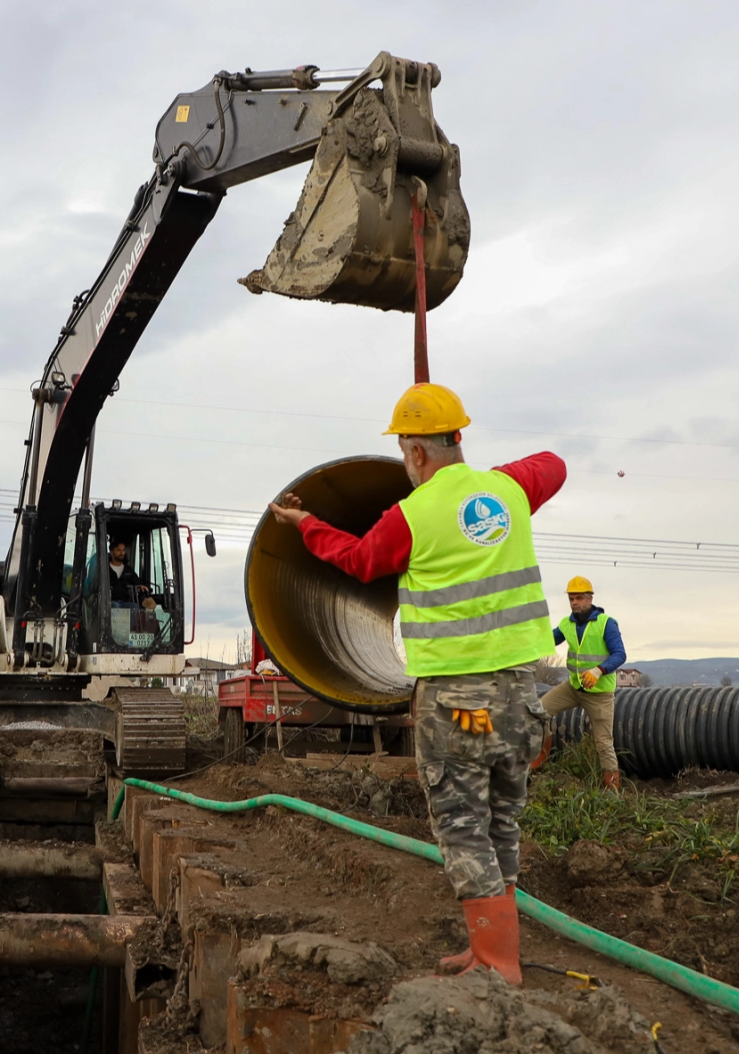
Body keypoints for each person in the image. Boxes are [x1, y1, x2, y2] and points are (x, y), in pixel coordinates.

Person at [267, 382, 564, 985]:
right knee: (500, 822)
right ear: (459, 437)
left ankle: (499, 963)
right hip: (520, 697)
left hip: (458, 703)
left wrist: (304, 522)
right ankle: (488, 949)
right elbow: (553, 466)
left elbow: (357, 560)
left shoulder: (411, 516)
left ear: (417, 453)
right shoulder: (508, 490)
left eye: (406, 452)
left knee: (461, 825)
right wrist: (490, 480)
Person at [539, 576, 627, 791]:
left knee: (604, 742)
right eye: (571, 598)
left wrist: (598, 671)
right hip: (573, 687)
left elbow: (620, 654)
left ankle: (613, 791)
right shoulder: (567, 624)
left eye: (579, 598)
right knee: (538, 711)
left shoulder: (606, 624)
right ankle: (538, 760)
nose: (574, 602)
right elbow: (548, 640)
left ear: (590, 599)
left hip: (599, 693)